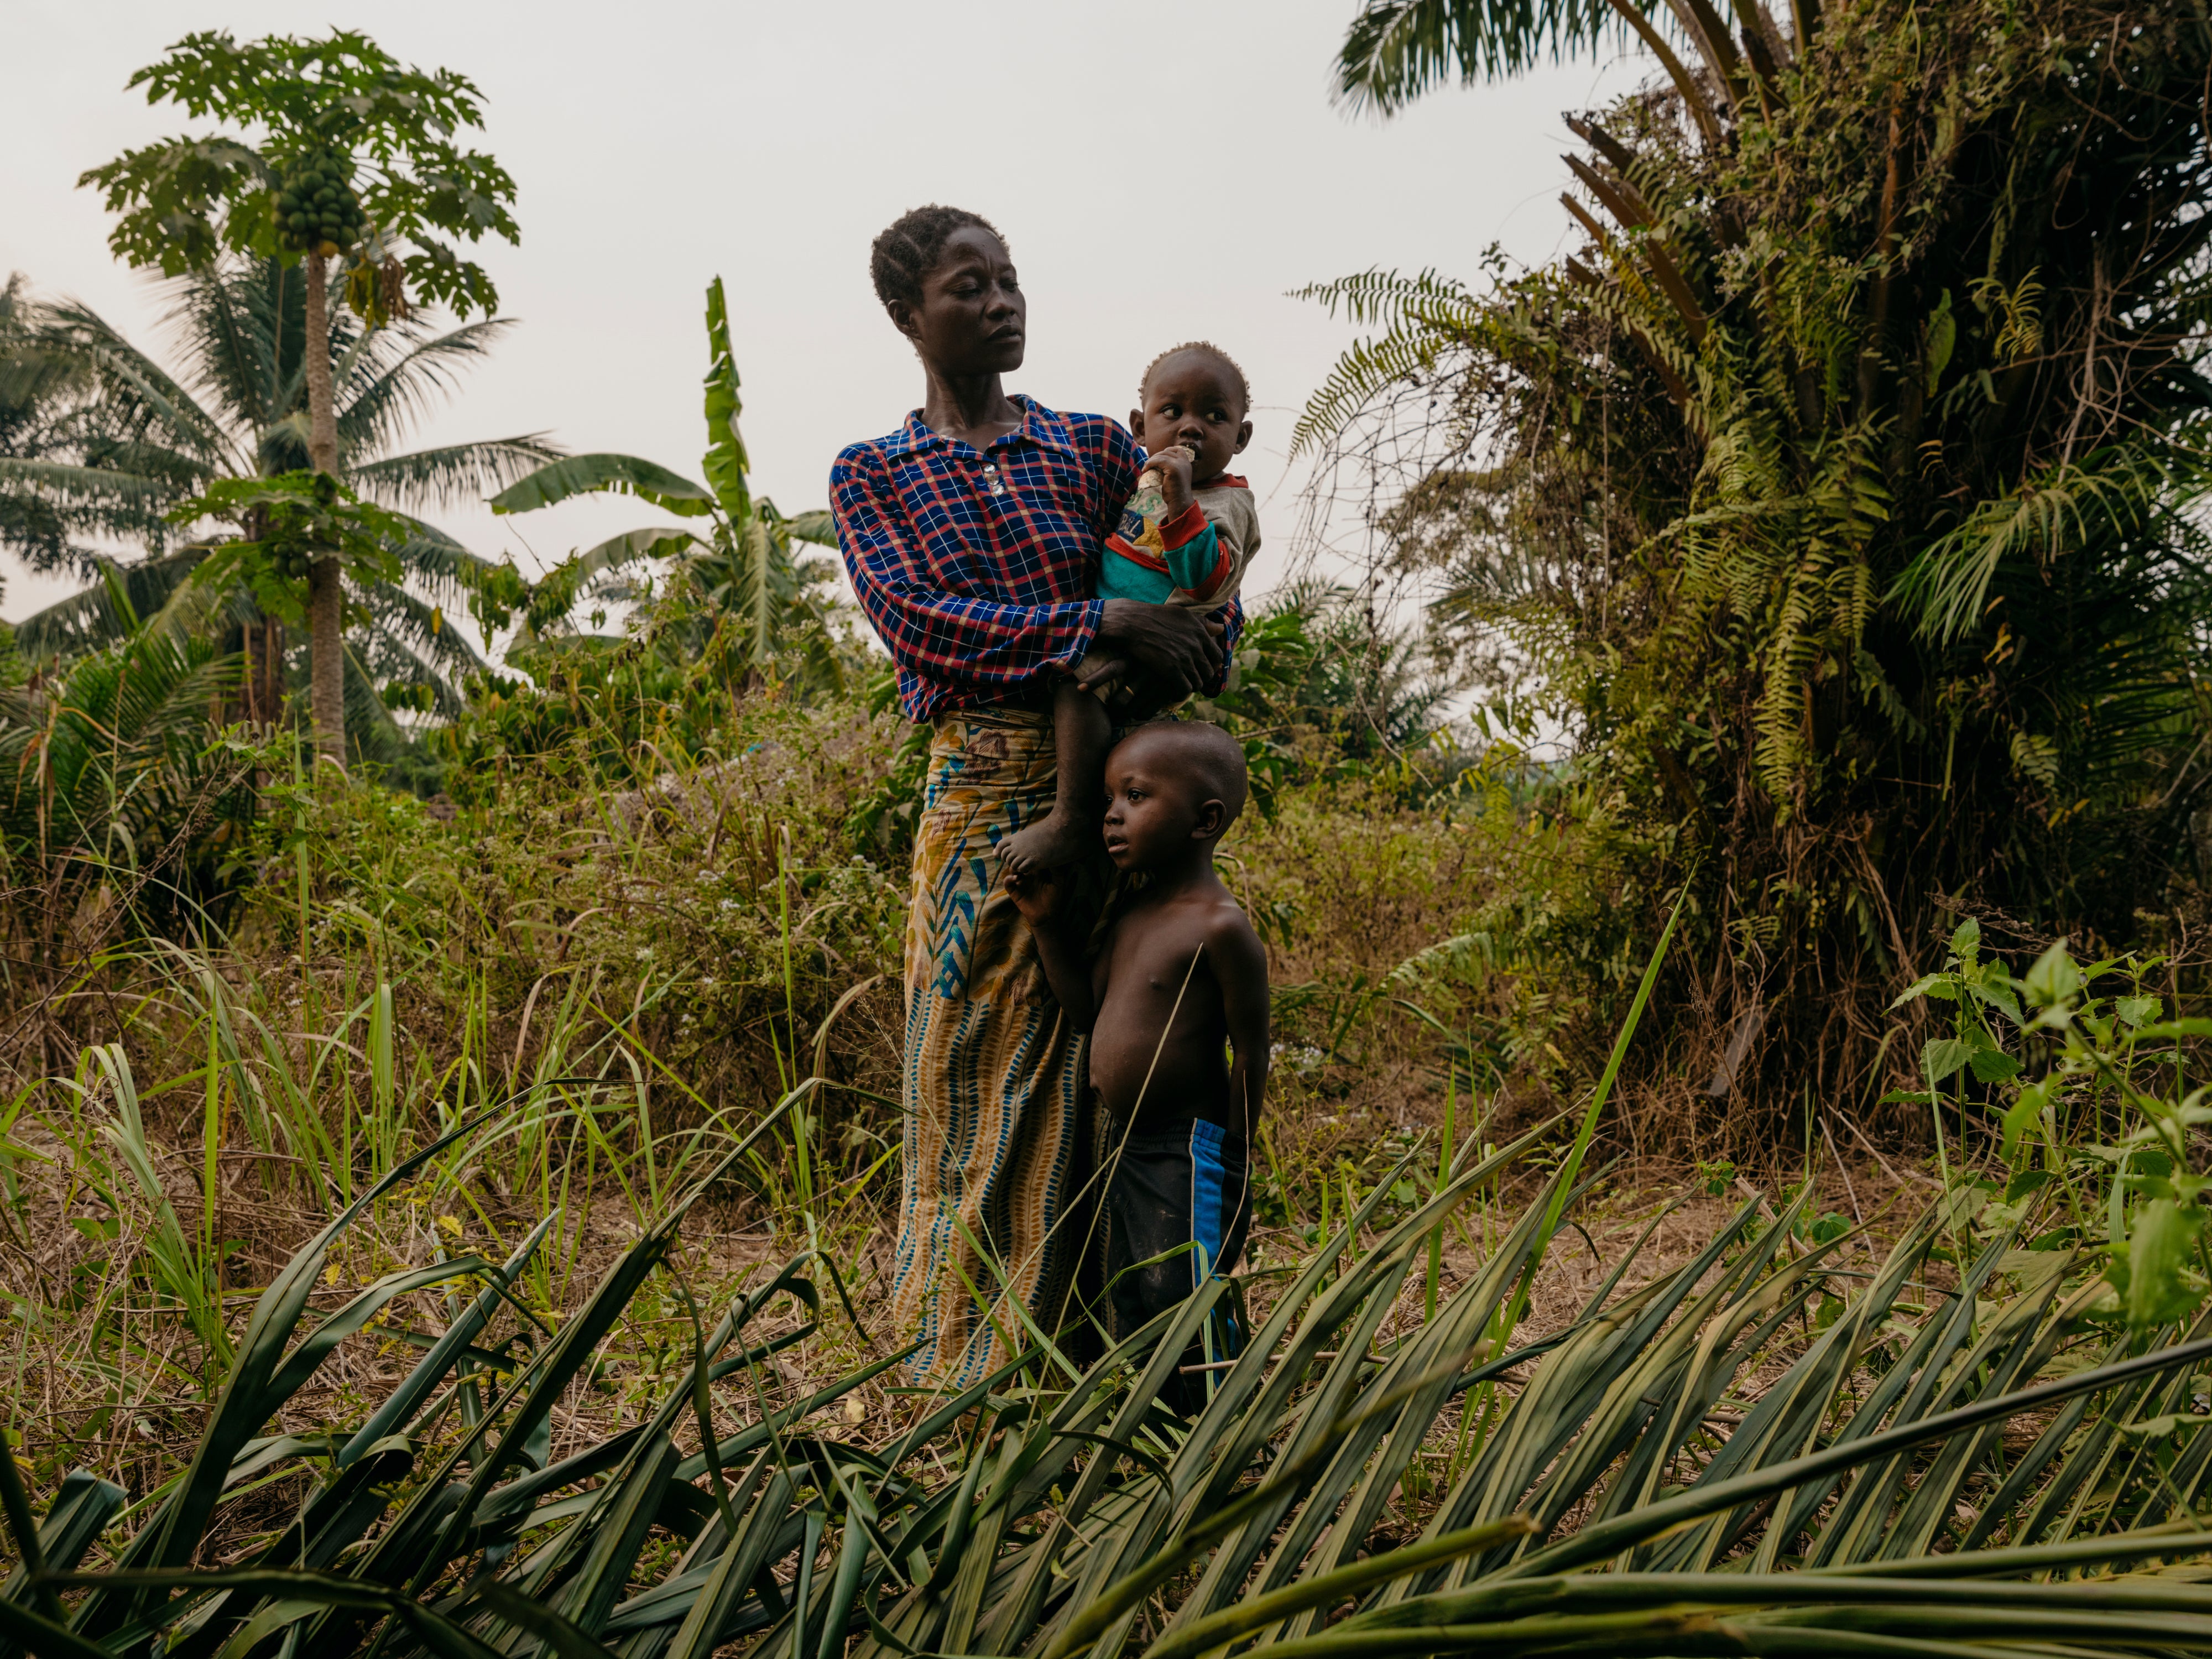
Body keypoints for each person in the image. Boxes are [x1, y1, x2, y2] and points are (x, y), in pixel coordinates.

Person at [830, 205, 1239, 1385]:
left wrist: (1148, 638)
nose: (1001, 302)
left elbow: (1199, 613)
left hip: (1127, 796)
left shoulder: (1093, 449)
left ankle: (1134, 1365)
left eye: (1008, 281)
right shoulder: (874, 474)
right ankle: (961, 1371)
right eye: (969, 287)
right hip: (978, 810)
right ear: (909, 317)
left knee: (1133, 1070)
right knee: (971, 1074)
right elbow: (918, 625)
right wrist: (1095, 625)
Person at [1004, 721, 1269, 1402]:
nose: (1112, 815)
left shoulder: (1219, 926)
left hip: (1192, 1151)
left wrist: (1237, 1157)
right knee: (1138, 1291)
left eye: (1136, 795)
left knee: (1186, 1292)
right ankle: (1157, 1422)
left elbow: (1250, 1051)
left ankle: (1217, 1421)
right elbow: (1088, 1014)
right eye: (1109, 799)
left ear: (1203, 819)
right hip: (1126, 1144)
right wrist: (1045, 926)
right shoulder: (1130, 915)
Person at [998, 345, 1261, 878]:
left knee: (1079, 686)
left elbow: (1209, 579)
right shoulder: (1141, 480)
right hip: (1113, 628)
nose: (1192, 429)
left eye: (1215, 417)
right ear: (1140, 427)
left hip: (1150, 649)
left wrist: (1183, 505)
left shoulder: (1226, 504)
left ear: (1241, 438)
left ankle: (1071, 818)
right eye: (1174, 413)